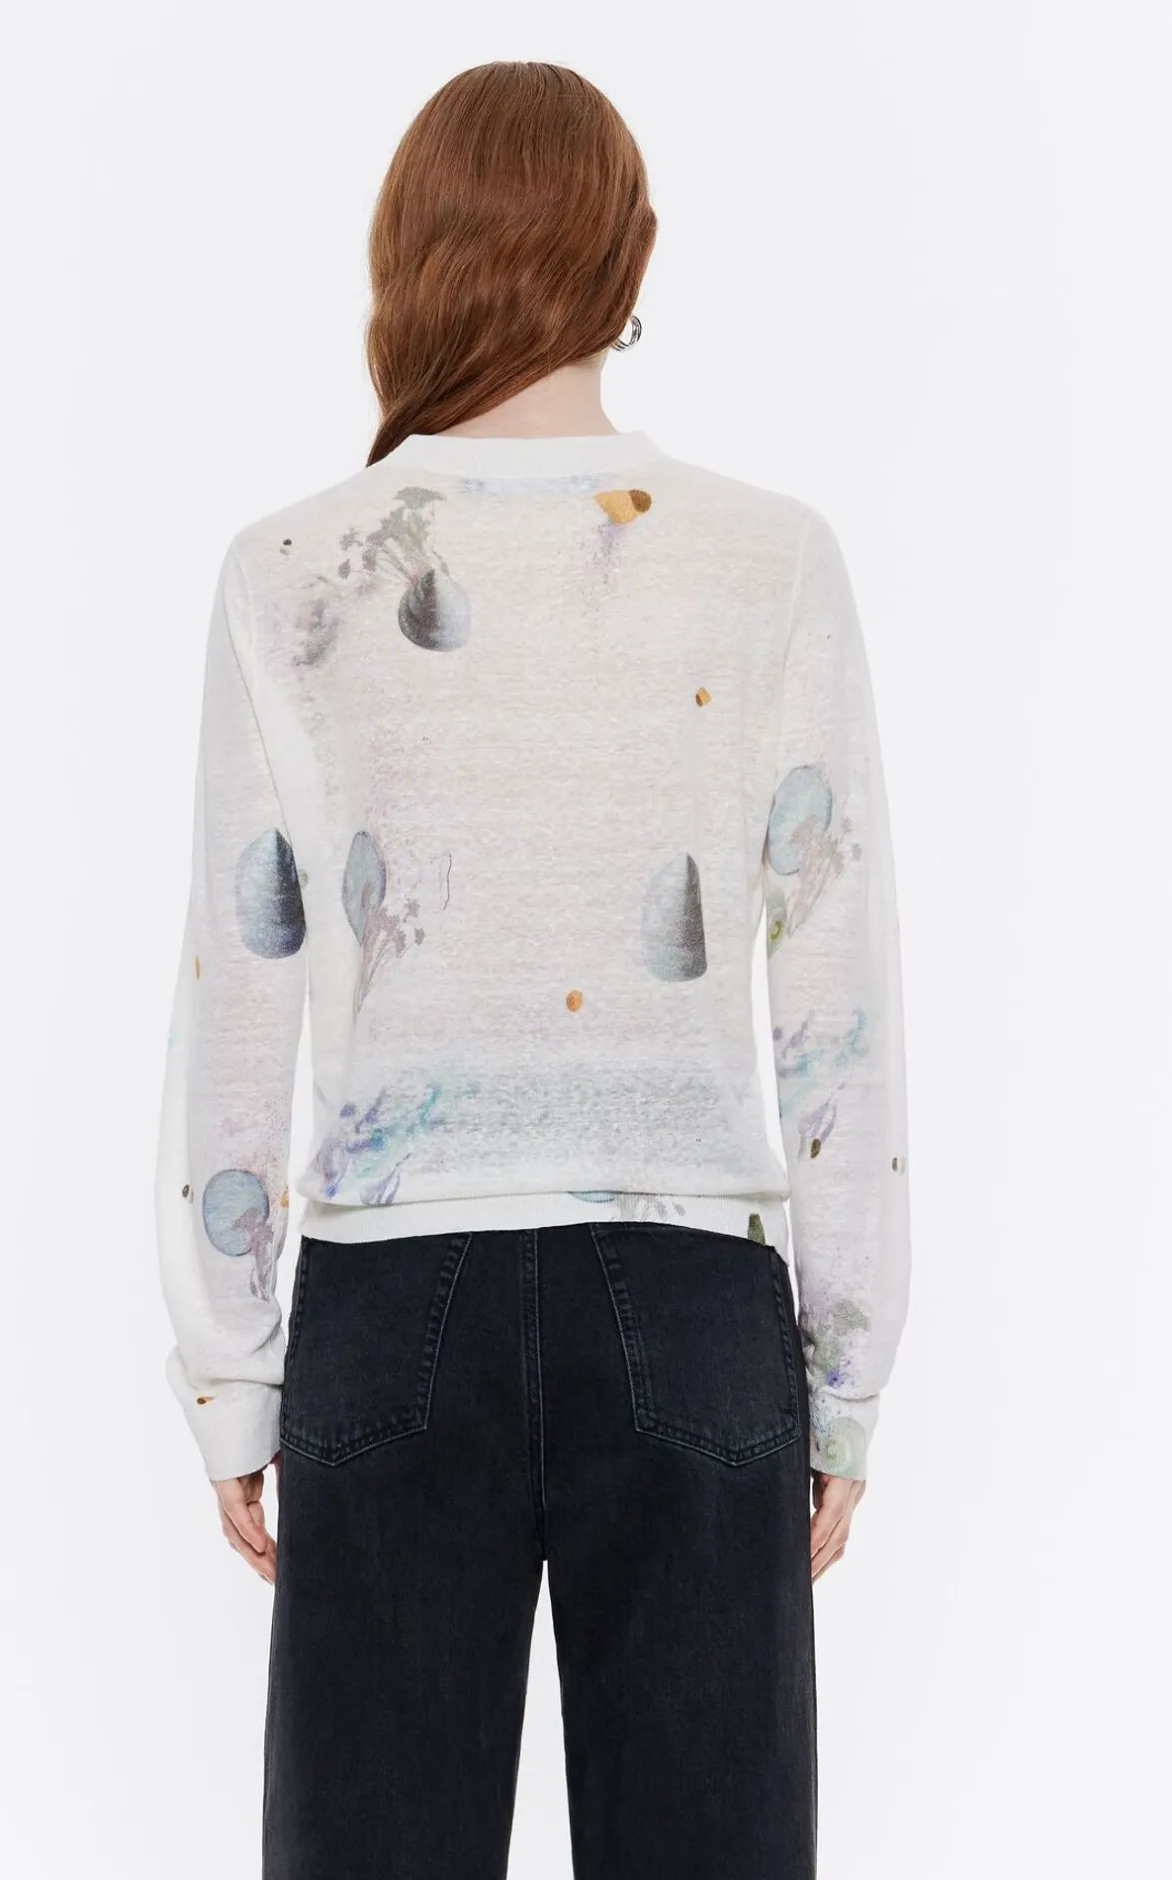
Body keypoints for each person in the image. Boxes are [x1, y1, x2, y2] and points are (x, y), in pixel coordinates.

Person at [154, 58, 912, 1880]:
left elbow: (242, 978)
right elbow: (837, 1003)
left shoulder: (293, 570)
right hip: (693, 1297)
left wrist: (231, 1367)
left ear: (406, 255)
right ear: (626, 258)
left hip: (389, 1301)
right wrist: (847, 1364)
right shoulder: (768, 562)